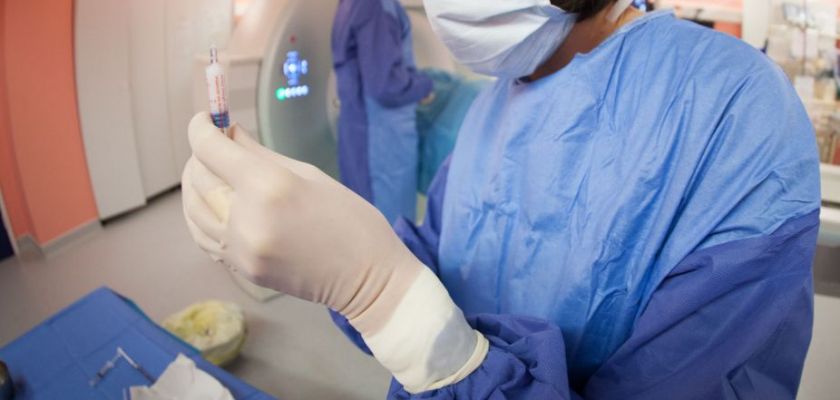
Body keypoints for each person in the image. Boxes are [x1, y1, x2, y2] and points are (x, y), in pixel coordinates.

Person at [181, 0, 821, 397]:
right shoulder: (497, 100)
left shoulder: (734, 113)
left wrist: (383, 294)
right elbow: (448, 258)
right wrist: (336, 255)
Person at [332, 0, 434, 223]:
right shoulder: (375, 6)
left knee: (362, 224)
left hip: (358, 134)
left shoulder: (349, 5)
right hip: (383, 142)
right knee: (391, 231)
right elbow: (387, 86)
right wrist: (425, 84)